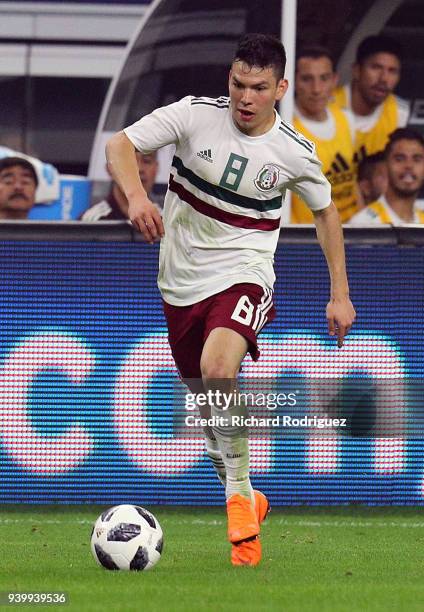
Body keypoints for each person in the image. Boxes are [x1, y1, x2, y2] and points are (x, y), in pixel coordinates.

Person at [106, 33, 356, 567]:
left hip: (245, 272)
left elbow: (326, 212)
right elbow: (120, 145)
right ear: (229, 80)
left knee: (219, 369)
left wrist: (340, 293)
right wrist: (134, 197)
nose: (246, 97)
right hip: (179, 281)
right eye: (239, 84)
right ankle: (247, 494)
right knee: (209, 409)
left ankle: (238, 499)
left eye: (259, 87)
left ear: (280, 88)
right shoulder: (194, 115)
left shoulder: (293, 152)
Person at [291, 46, 358, 223]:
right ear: (294, 81)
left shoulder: (346, 119)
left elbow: (353, 183)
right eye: (307, 79)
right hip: (310, 241)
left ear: (335, 80)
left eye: (324, 78)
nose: (317, 89)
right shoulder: (286, 127)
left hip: (351, 233)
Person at [333, 35, 409, 166]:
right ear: (357, 70)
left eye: (392, 71)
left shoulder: (399, 111)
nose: (384, 78)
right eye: (376, 67)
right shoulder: (326, 106)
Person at [350, 128, 424, 225]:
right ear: (386, 165)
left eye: (417, 159)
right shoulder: (364, 223)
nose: (409, 165)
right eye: (399, 159)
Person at [81, 151, 159, 220]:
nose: (139, 169)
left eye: (146, 161)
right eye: (129, 161)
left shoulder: (166, 219)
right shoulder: (91, 221)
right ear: (110, 169)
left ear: (157, 168)